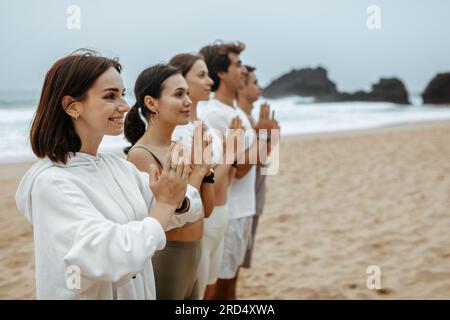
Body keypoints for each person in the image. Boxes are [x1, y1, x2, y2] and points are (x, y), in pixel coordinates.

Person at [15, 50, 201, 299]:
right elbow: (114, 256)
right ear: (72, 107)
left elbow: (190, 204)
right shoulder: (52, 183)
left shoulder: (116, 167)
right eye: (110, 96)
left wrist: (176, 198)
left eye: (122, 94)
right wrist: (166, 203)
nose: (124, 106)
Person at [124, 63, 212, 300]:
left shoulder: (178, 148)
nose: (188, 102)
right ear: (151, 103)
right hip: (168, 258)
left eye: (188, 94)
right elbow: (167, 219)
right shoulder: (141, 154)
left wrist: (208, 171)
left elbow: (205, 209)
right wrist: (199, 172)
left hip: (195, 250)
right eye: (178, 94)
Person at [199, 41, 274, 299]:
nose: (243, 70)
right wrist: (264, 135)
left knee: (232, 287)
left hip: (245, 209)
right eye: (237, 64)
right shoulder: (215, 115)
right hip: (228, 212)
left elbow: (263, 163)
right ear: (221, 73)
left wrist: (268, 136)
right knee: (218, 290)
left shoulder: (236, 113)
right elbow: (237, 169)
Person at [169, 53, 242, 299]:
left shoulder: (206, 127)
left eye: (208, 74)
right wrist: (230, 153)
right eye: (201, 75)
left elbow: (229, 177)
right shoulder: (179, 132)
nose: (209, 81)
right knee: (200, 295)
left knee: (211, 290)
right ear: (181, 80)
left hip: (221, 213)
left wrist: (230, 155)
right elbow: (199, 185)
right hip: (204, 220)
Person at [236, 65, 280, 269]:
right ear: (241, 88)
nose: (260, 87)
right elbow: (245, 166)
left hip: (254, 199)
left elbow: (268, 165)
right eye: (255, 82)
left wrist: (271, 138)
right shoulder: (241, 121)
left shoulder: (253, 120)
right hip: (244, 201)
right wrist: (265, 136)